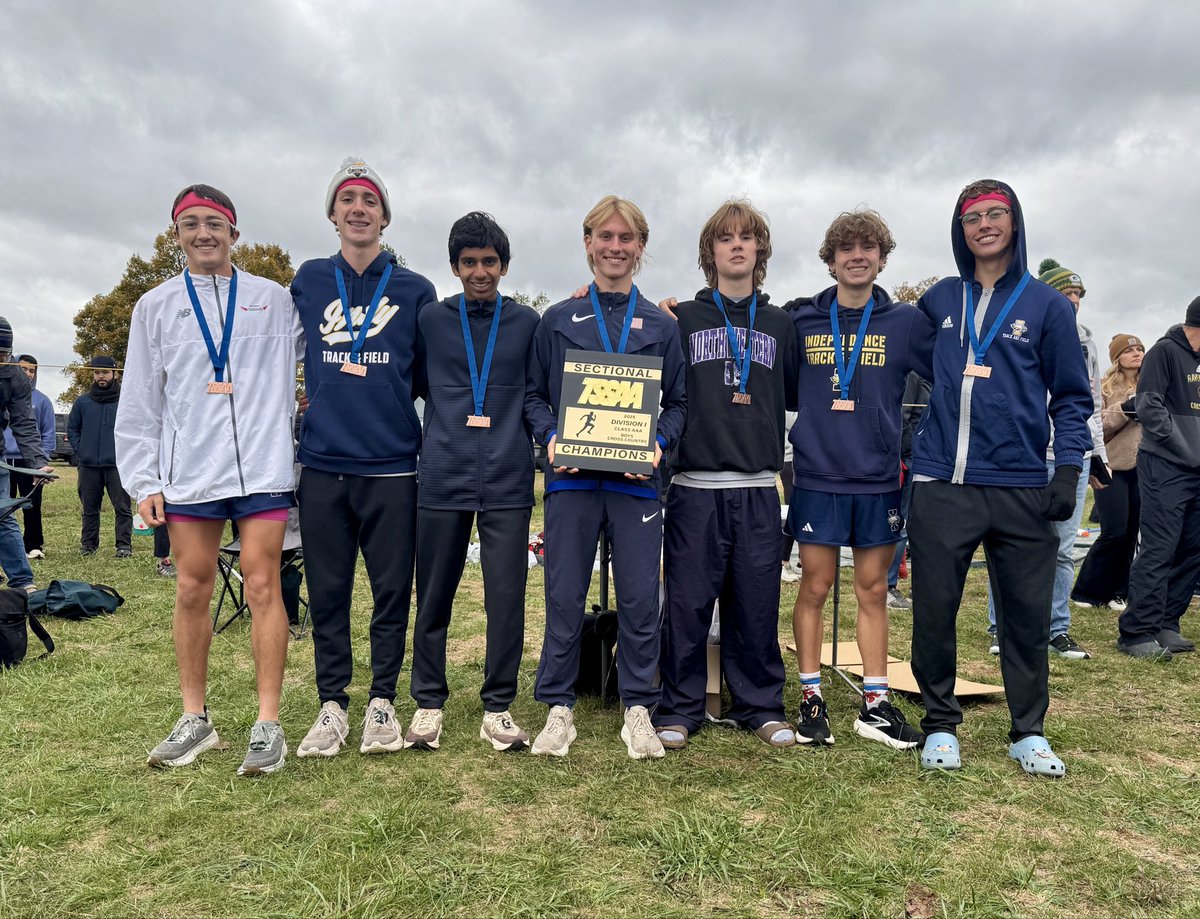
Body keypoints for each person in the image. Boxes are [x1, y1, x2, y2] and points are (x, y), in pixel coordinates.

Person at [907, 179, 1092, 777]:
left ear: (1014, 222)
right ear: (959, 231)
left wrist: (1066, 470)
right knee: (935, 608)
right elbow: (904, 358)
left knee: (1026, 614)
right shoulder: (939, 299)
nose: (983, 224)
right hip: (942, 482)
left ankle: (1028, 730)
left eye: (995, 214)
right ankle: (940, 724)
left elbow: (1070, 397)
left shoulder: (1047, 305)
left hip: (1019, 483)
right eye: (970, 218)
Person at [117, 183, 301, 775]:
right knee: (193, 588)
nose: (204, 233)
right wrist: (144, 478)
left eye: (214, 223)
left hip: (262, 466)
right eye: (191, 223)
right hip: (191, 471)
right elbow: (141, 399)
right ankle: (195, 719)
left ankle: (267, 724)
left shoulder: (274, 299)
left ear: (234, 234)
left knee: (262, 584)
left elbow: (328, 343)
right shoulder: (156, 306)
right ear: (177, 236)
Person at [525, 195, 685, 759]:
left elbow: (679, 404)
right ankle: (558, 706)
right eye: (605, 237)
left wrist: (661, 443)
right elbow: (534, 396)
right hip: (571, 480)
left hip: (635, 482)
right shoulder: (558, 319)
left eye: (626, 238)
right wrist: (549, 439)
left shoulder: (662, 325)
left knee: (643, 596)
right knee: (563, 593)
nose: (615, 247)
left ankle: (638, 705)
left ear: (640, 248)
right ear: (588, 242)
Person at [292, 158, 436, 758]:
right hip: (323, 464)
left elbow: (428, 379)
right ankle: (332, 704)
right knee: (328, 589)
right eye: (347, 198)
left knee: (390, 592)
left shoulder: (414, 290)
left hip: (392, 465)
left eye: (369, 200)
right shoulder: (307, 280)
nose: (358, 208)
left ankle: (381, 701)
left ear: (384, 216)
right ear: (332, 214)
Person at [651, 199, 799, 751]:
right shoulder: (682, 317)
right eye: (725, 238)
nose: (736, 245)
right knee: (687, 605)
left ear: (760, 249)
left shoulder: (782, 323)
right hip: (696, 488)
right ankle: (680, 706)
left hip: (759, 487)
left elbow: (793, 395)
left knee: (756, 602)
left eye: (747, 237)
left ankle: (760, 704)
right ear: (709, 252)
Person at [787, 209, 933, 750]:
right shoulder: (800, 320)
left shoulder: (907, 323)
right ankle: (810, 698)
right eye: (846, 247)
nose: (857, 255)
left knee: (872, 589)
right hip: (819, 477)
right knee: (816, 586)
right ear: (830, 260)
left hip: (877, 478)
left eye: (868, 247)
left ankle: (875, 704)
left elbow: (950, 361)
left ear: (882, 257)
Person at [406, 212, 539, 752]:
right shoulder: (431, 320)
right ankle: (428, 703)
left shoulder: (528, 323)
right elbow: (414, 381)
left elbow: (543, 388)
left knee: (505, 597)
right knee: (433, 594)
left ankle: (499, 706)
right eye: (469, 263)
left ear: (504, 266)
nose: (479, 271)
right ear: (455, 267)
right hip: (443, 472)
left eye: (489, 261)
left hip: (508, 476)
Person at [983, 259, 1110, 660]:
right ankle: (1001, 626)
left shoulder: (1087, 344)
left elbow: (1089, 404)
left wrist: (1096, 453)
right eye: (1064, 293)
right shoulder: (1024, 327)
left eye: (1077, 295)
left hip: (1072, 456)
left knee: (1063, 547)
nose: (1072, 301)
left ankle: (1057, 629)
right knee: (1010, 543)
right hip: (1027, 455)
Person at [1115, 300, 1200, 658]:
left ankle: (1167, 622)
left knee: (1193, 548)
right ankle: (1137, 632)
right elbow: (1148, 405)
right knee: (1160, 546)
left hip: (1197, 468)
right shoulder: (1165, 352)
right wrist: (1178, 443)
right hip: (1165, 464)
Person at [1071, 334, 1145, 611]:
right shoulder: (1104, 387)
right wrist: (1125, 409)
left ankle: (1119, 591)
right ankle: (1086, 590)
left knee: (1131, 532)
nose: (1136, 354)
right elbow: (1096, 425)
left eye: (1139, 349)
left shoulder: (1152, 386)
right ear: (1117, 357)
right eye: (1129, 350)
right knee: (1113, 530)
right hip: (1113, 467)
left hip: (1144, 468)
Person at [0, 320, 52, 592]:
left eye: (4, 355)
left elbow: (24, 423)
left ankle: (22, 582)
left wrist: (38, 463)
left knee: (3, 513)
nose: (1, 360)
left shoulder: (15, 376)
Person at [68, 356, 133, 557]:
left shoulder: (126, 401)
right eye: (97, 372)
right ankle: (88, 545)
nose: (100, 376)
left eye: (104, 372)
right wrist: (82, 450)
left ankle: (123, 546)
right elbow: (72, 429)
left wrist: (126, 454)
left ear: (115, 373)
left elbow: (135, 429)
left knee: (122, 508)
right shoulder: (83, 402)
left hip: (117, 466)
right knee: (89, 509)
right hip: (88, 466)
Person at [885, 372, 931, 611]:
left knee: (921, 524)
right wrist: (906, 453)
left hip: (926, 459)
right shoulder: (914, 374)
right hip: (911, 458)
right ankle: (888, 586)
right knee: (900, 523)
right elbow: (904, 416)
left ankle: (919, 585)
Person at [4, 355, 55, 559]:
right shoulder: (5, 394)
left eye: (31, 370)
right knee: (5, 508)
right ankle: (7, 549)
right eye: (23, 369)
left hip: (29, 462)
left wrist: (42, 461)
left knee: (32, 505)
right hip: (4, 460)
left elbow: (48, 433)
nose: (27, 373)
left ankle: (33, 546)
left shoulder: (42, 401)